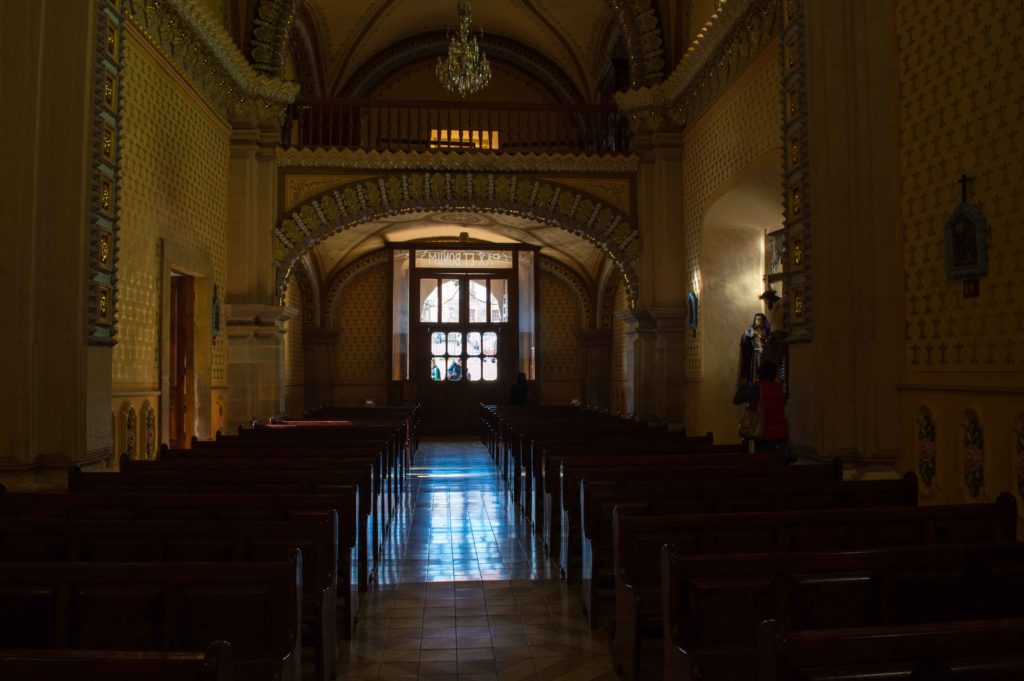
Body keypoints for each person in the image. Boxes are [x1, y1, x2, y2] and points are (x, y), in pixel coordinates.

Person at [732, 360, 788, 456]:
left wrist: (743, 386)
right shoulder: (779, 389)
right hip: (781, 432)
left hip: (764, 432)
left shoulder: (757, 389)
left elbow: (737, 400)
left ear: (760, 373)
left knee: (764, 464)